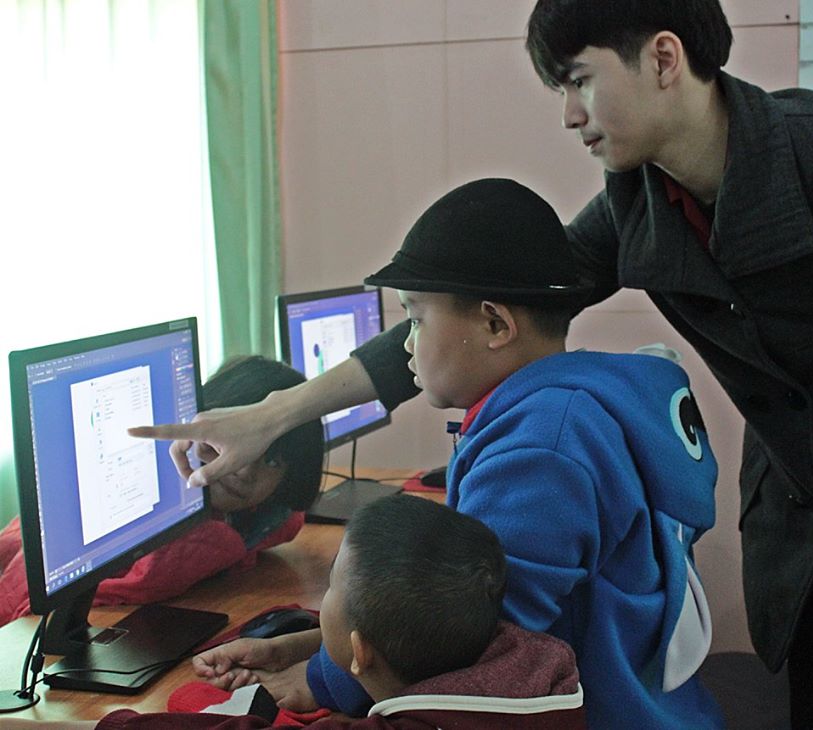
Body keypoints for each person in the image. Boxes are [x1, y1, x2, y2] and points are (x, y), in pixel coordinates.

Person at [129, 1, 813, 726]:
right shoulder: (639, 205)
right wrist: (273, 415)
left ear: (663, 59)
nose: (569, 115)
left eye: (579, 80)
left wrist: (320, 670)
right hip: (804, 544)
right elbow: (490, 299)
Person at [166, 178, 722, 729]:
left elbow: (466, 640)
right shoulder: (562, 412)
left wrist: (322, 680)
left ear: (495, 324)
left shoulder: (542, 448)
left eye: (415, 318)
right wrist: (310, 645)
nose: (407, 344)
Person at [6, 494, 587, 729]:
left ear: (358, 652)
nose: (320, 603)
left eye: (330, 589)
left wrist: (98, 724)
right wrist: (291, 645)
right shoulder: (534, 675)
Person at [0, 355, 325, 626]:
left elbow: (289, 517)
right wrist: (223, 545)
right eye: (229, 442)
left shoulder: (272, 517)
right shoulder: (152, 499)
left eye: (272, 461)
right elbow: (34, 602)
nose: (244, 470)